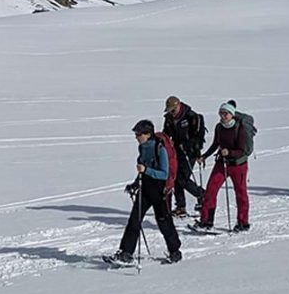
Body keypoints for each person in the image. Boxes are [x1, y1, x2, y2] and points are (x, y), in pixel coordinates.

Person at [105, 120, 183, 265]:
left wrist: (146, 170)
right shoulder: (142, 147)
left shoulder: (160, 149)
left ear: (148, 134)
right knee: (134, 220)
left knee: (164, 222)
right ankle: (126, 253)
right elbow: (143, 168)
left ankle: (175, 251)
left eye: (138, 134)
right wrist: (135, 183)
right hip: (145, 188)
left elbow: (164, 174)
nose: (136, 137)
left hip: (160, 191)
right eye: (136, 134)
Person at [194, 102, 250, 231]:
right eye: (221, 113)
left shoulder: (239, 128)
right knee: (210, 190)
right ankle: (206, 220)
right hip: (222, 163)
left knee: (241, 193)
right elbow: (215, 144)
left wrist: (229, 152)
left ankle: (243, 222)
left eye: (225, 113)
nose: (223, 116)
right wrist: (204, 156)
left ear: (232, 114)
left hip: (238, 165)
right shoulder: (219, 127)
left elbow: (242, 150)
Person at [162, 96, 206, 216]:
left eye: (173, 110)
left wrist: (187, 145)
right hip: (176, 152)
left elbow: (199, 137)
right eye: (170, 111)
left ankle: (202, 195)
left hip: (190, 152)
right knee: (176, 178)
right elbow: (166, 134)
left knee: (183, 178)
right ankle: (180, 206)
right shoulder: (169, 118)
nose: (172, 113)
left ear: (179, 105)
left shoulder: (192, 116)